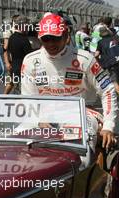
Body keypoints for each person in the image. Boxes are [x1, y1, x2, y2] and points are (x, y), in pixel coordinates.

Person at [21, 13, 118, 151]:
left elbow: (107, 89)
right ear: (39, 38)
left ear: (66, 36)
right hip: (44, 115)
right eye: (46, 39)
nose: (50, 43)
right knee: (19, 140)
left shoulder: (85, 59)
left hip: (83, 112)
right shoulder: (30, 61)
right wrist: (39, 119)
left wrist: (108, 126)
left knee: (77, 147)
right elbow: (28, 98)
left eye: (55, 38)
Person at [7, 15, 32, 94]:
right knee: (23, 93)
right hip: (23, 71)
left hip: (14, 68)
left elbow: (9, 52)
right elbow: (29, 56)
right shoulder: (24, 39)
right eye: (27, 25)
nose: (28, 27)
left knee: (17, 92)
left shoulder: (11, 37)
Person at [95, 25, 119, 94]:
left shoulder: (100, 42)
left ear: (100, 34)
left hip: (111, 64)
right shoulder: (116, 38)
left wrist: (99, 62)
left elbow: (96, 54)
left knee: (115, 81)